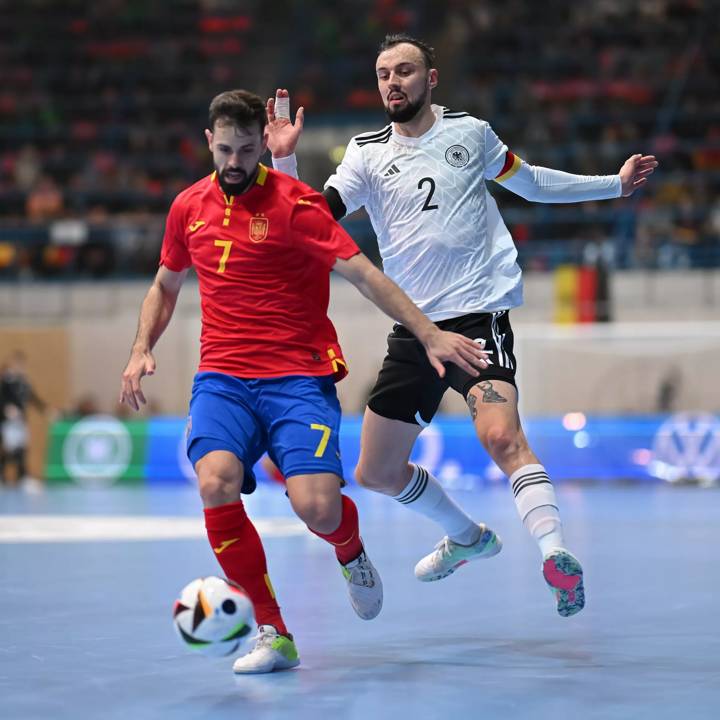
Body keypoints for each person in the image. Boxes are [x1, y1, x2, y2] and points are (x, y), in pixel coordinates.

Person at [267, 34, 658, 617]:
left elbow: (530, 182)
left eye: (404, 70)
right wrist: (283, 161)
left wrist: (613, 185)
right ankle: (469, 538)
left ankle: (556, 554)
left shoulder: (470, 134)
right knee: (375, 471)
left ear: (431, 79)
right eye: (382, 74)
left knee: (501, 436)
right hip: (414, 328)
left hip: (477, 316)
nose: (392, 82)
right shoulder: (367, 152)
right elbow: (311, 219)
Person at [119, 89, 488, 674]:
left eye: (246, 148)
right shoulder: (188, 206)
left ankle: (350, 550)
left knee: (317, 508)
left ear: (262, 143)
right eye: (224, 150)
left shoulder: (297, 205)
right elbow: (165, 286)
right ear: (208, 144)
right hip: (223, 378)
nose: (235, 161)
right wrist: (141, 348)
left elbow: (365, 275)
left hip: (298, 378)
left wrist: (429, 332)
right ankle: (273, 630)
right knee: (215, 480)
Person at [0, 351, 48, 486]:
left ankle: (22, 476)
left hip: (21, 421)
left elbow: (32, 398)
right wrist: (6, 408)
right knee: (8, 448)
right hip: (8, 421)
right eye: (16, 363)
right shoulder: (6, 381)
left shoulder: (24, 382)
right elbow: (3, 399)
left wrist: (46, 410)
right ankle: (2, 476)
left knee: (22, 448)